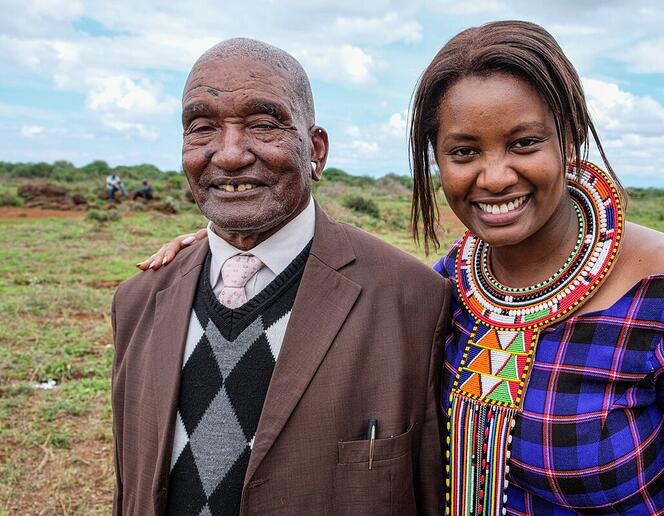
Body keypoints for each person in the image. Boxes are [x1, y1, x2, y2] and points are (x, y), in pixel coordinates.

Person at [148, 22, 664, 515]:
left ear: (569, 139)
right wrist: (223, 254)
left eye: (524, 143)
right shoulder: (443, 291)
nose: (494, 176)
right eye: (464, 151)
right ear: (437, 161)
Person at [111, 38, 449, 515]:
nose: (228, 155)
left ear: (315, 149)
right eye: (202, 127)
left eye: (263, 124)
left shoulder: (412, 300)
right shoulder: (138, 301)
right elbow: (131, 488)